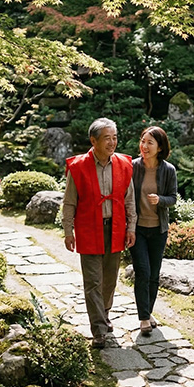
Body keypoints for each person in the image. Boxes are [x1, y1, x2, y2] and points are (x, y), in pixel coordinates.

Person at [62, 118, 136, 349]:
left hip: (115, 228)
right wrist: (68, 230)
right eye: (107, 138)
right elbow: (69, 202)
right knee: (93, 281)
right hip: (88, 228)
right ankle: (98, 330)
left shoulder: (124, 163)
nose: (112, 142)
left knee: (110, 279)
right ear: (93, 141)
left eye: (114, 137)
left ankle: (104, 314)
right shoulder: (78, 166)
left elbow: (129, 199)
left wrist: (131, 227)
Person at [130, 126, 177, 336]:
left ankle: (147, 312)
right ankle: (143, 319)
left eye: (150, 142)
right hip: (137, 229)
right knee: (143, 272)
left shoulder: (168, 170)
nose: (144, 146)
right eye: (143, 141)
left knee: (154, 275)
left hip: (159, 230)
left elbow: (173, 199)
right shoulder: (132, 167)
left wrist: (160, 200)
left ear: (160, 147)